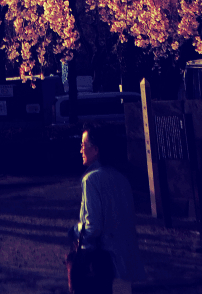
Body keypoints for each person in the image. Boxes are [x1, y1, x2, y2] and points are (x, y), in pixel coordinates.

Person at [66, 123, 145, 294]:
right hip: (126, 263)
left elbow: (93, 227)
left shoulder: (91, 180)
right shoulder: (122, 178)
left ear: (95, 150)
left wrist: (75, 230)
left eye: (83, 145)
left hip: (103, 267)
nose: (80, 150)